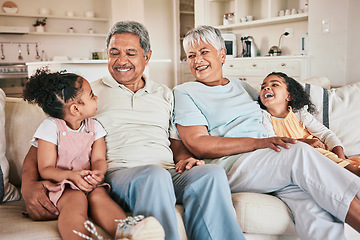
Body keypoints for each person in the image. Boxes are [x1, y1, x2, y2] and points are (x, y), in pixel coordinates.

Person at [21, 21, 244, 240]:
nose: (121, 60)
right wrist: (28, 185)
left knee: (210, 174)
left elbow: (175, 143)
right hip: (121, 175)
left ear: (147, 56)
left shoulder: (165, 93)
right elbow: (47, 142)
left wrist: (187, 159)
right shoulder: (87, 96)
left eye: (130, 53)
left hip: (167, 172)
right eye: (114, 52)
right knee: (154, 176)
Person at [172, 25, 360, 240]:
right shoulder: (185, 92)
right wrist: (259, 143)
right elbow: (199, 143)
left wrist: (297, 139)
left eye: (204, 52)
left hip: (272, 162)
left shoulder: (243, 87)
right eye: (191, 55)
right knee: (298, 155)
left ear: (222, 55)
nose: (197, 60)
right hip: (234, 165)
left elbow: (276, 117)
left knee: (313, 205)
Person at [22, 69, 164, 240]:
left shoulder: (95, 127)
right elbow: (45, 169)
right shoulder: (50, 128)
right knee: (75, 200)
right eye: (91, 96)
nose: (96, 98)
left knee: (99, 196)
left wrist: (99, 173)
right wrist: (71, 176)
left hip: (88, 183)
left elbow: (98, 159)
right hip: (62, 186)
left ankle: (126, 230)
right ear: (75, 109)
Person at [258, 72, 360, 176]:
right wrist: (304, 142)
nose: (266, 88)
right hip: (299, 158)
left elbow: (326, 134)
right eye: (263, 87)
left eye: (274, 84)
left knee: (325, 156)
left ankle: (351, 170)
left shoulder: (300, 114)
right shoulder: (264, 117)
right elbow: (272, 141)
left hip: (323, 154)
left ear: (289, 96)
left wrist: (340, 154)